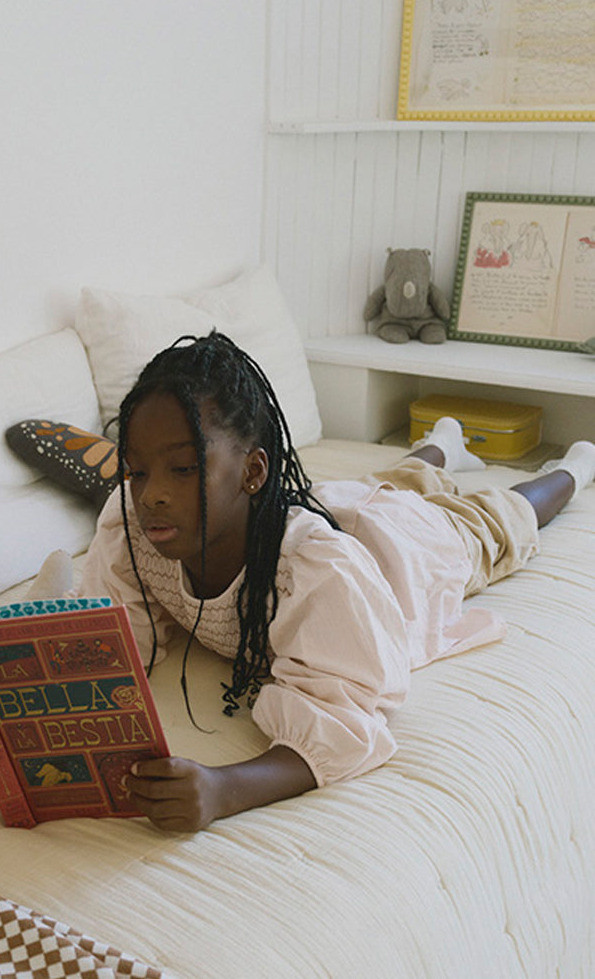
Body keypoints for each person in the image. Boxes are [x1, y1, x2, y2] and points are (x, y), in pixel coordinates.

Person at [79, 330, 595, 833]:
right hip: (331, 507)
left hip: (405, 549)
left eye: (183, 468)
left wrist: (222, 788)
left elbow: (343, 724)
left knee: (497, 518)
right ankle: (443, 443)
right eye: (137, 471)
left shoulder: (313, 571)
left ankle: (576, 466)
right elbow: (112, 637)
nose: (151, 494)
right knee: (384, 484)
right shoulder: (133, 529)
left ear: (253, 473)